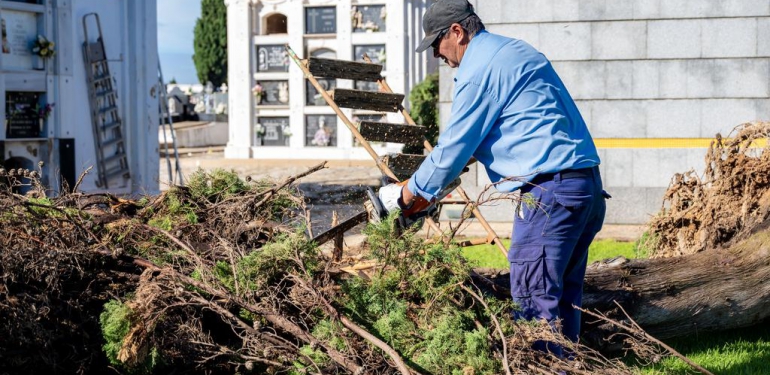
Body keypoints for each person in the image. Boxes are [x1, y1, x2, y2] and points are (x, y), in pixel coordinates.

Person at [377, 0, 607, 352]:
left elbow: (455, 146)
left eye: (437, 44)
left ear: (457, 31)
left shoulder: (480, 68)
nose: (437, 55)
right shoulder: (512, 51)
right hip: (583, 188)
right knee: (563, 302)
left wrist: (405, 197)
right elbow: (489, 137)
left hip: (549, 196)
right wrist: (427, 189)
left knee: (533, 307)